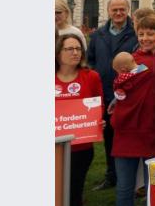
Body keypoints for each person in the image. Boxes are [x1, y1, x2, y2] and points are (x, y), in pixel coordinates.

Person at [110, 14, 155, 206]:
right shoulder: (129, 61)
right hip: (127, 130)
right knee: (124, 186)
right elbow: (117, 88)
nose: (145, 38)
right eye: (141, 34)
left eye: (150, 34)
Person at [86, 0, 137, 190]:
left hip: (129, 97)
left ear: (128, 11)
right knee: (108, 139)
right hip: (105, 94)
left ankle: (133, 180)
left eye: (122, 9)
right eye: (114, 9)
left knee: (129, 139)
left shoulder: (135, 33)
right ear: (108, 11)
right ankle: (111, 175)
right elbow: (90, 60)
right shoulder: (98, 34)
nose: (118, 13)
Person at [55, 34, 102, 206]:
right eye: (69, 49)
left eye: (78, 48)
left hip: (81, 148)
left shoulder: (91, 77)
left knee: (74, 192)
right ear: (58, 52)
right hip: (53, 148)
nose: (75, 52)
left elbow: (98, 106)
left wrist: (98, 121)